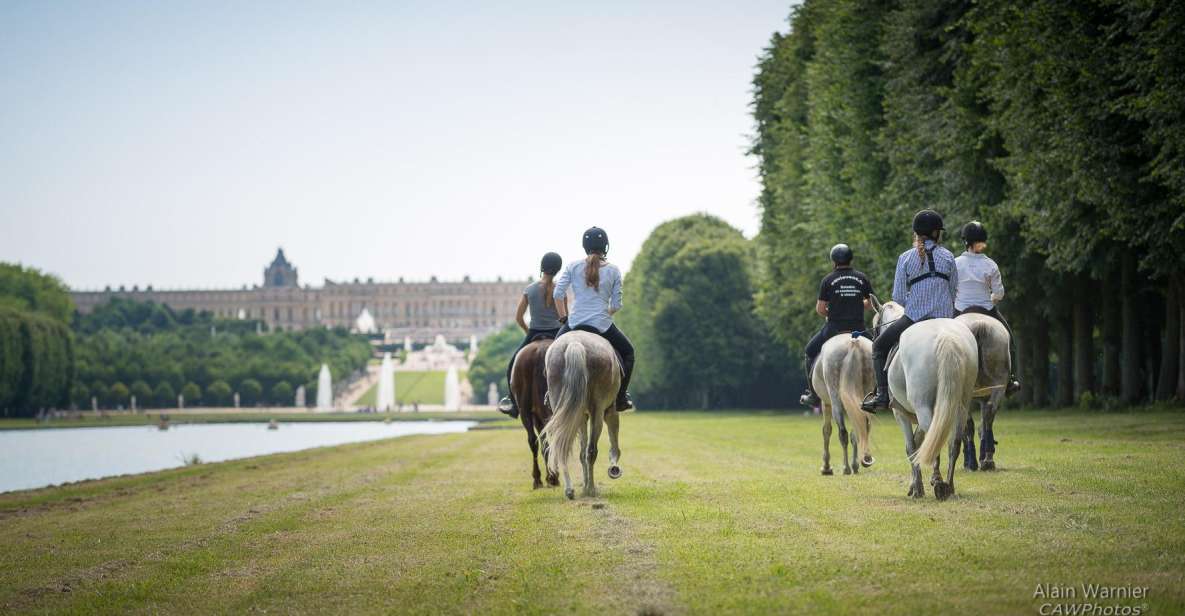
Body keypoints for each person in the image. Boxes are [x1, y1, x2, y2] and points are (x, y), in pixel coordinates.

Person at [862, 209, 959, 413]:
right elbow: (953, 291)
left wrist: (915, 300)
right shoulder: (949, 256)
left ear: (916, 233)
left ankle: (881, 395)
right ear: (936, 233)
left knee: (879, 346)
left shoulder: (905, 257)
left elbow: (897, 297)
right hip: (946, 319)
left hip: (914, 318)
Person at [553, 226, 635, 412]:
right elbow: (616, 305)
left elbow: (558, 294)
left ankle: (550, 394)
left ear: (585, 246)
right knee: (629, 353)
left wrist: (564, 318)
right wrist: (603, 314)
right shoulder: (614, 270)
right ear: (605, 246)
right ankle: (621, 397)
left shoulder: (573, 266)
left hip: (574, 323)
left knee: (552, 354)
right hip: (602, 326)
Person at [799, 244, 874, 407]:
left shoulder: (828, 280)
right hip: (858, 328)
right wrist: (858, 303)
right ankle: (883, 392)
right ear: (851, 259)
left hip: (833, 329)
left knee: (809, 351)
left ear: (833, 261)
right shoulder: (862, 278)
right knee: (879, 351)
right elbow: (870, 304)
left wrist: (834, 312)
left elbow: (820, 309)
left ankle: (813, 395)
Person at [955, 221, 1021, 395]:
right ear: (982, 242)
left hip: (960, 309)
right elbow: (999, 293)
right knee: (1010, 338)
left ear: (965, 241)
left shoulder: (955, 263)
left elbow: (950, 289)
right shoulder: (990, 264)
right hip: (986, 308)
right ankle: (1011, 378)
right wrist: (991, 298)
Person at [498, 252, 565, 419]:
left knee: (512, 364)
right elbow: (565, 317)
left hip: (534, 332)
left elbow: (519, 318)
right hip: (557, 333)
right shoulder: (560, 290)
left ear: (542, 267)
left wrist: (528, 332)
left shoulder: (529, 289)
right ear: (557, 270)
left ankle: (513, 402)